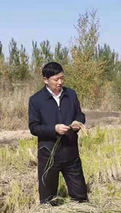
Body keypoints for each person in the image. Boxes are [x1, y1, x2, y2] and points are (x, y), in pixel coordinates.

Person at [28, 62, 88, 204]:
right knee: (48, 200)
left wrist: (77, 122)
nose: (60, 82)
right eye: (56, 79)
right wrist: (54, 129)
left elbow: (80, 115)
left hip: (71, 153)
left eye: (62, 78)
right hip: (48, 155)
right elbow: (34, 127)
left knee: (81, 196)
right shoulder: (36, 100)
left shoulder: (71, 94)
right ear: (45, 80)